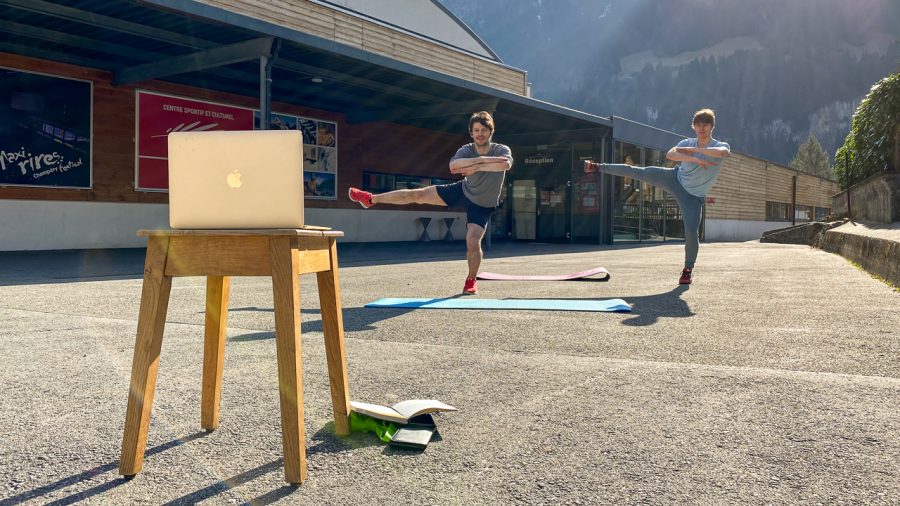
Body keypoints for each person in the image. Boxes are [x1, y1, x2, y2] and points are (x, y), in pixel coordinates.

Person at [349, 111, 513, 294]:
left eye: (483, 130)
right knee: (418, 194)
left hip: (483, 204)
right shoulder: (466, 149)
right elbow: (453, 167)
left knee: (473, 241)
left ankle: (471, 279)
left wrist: (471, 166)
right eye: (476, 130)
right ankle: (370, 199)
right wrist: (480, 162)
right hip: (463, 190)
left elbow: (504, 165)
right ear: (471, 132)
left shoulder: (501, 149)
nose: (480, 134)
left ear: (491, 131)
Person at [585, 108, 731, 285]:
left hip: (693, 197)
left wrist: (692, 151)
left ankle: (687, 270)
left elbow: (722, 153)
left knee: (692, 233)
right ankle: (598, 166)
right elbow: (671, 154)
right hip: (674, 178)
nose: (702, 128)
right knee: (640, 172)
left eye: (705, 125)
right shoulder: (687, 141)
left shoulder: (718, 145)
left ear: (712, 127)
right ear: (693, 126)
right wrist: (695, 158)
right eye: (698, 125)